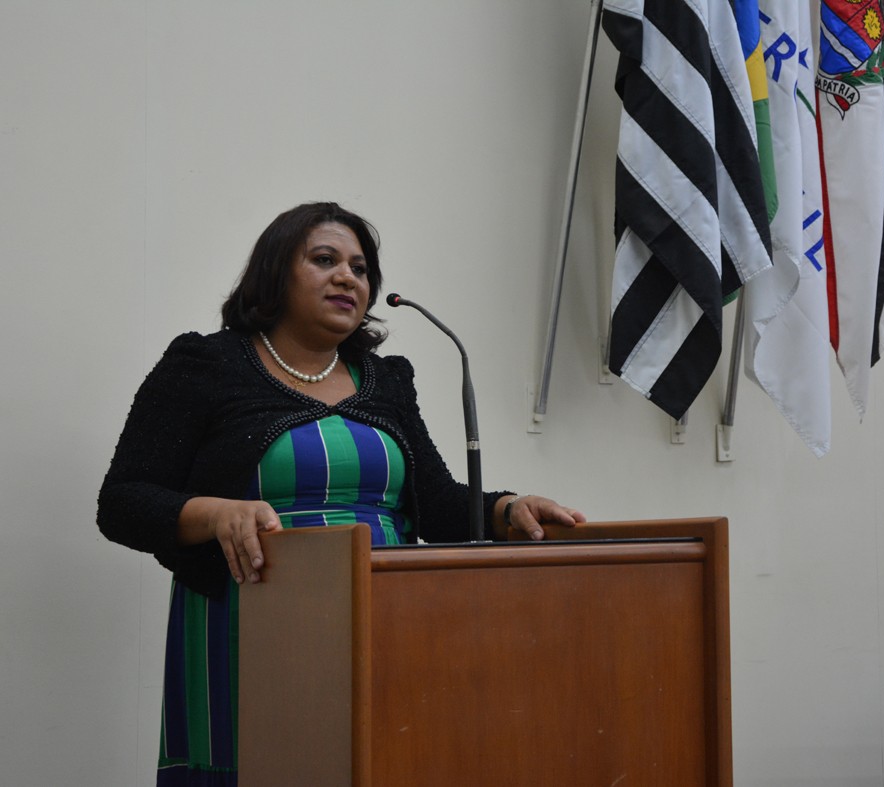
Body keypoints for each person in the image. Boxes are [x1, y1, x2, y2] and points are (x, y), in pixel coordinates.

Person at [97, 201, 585, 785]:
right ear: (276, 272)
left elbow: (436, 504)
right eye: (325, 260)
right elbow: (122, 501)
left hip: (380, 622)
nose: (347, 277)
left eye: (360, 268)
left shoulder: (386, 379)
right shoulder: (207, 364)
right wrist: (214, 512)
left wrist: (506, 508)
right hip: (247, 623)